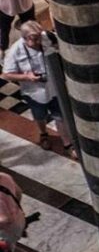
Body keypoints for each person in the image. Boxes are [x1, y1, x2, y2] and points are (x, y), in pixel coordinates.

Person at [3, 21, 70, 153]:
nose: (39, 40)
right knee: (40, 116)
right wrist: (27, 77)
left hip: (54, 88)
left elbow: (59, 46)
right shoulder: (15, 51)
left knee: (60, 116)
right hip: (34, 92)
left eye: (39, 36)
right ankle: (43, 134)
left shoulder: (45, 37)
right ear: (24, 37)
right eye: (34, 38)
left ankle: (67, 143)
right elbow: (6, 74)